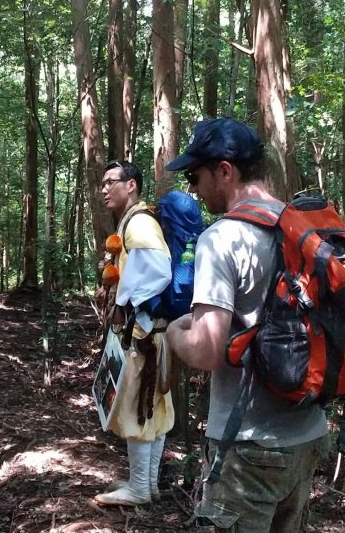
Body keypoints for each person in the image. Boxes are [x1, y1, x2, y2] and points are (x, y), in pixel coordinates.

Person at [165, 118, 329, 533]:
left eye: (194, 175)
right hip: (308, 435)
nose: (193, 189)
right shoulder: (301, 225)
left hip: (249, 445)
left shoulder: (222, 237)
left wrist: (172, 332)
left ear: (224, 170)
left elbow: (205, 351)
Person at [93, 160, 175, 506]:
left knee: (135, 406)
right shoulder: (135, 221)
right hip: (153, 332)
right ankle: (148, 483)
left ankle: (140, 488)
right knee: (153, 406)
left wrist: (126, 303)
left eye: (112, 182)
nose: (104, 189)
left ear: (132, 185)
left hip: (143, 332)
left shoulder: (139, 223)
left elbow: (158, 269)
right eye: (102, 184)